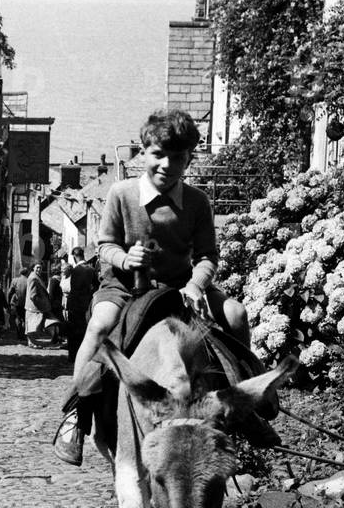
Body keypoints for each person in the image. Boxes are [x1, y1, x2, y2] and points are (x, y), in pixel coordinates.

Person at [53, 109, 253, 465]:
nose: (167, 165)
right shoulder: (122, 193)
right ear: (143, 151)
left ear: (189, 158)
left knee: (236, 313)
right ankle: (76, 412)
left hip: (178, 288)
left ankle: (245, 405)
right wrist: (125, 260)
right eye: (158, 154)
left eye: (178, 158)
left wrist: (195, 286)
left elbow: (208, 256)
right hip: (125, 288)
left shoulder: (196, 202)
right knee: (100, 325)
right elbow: (105, 246)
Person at [64, 247, 99, 361]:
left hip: (74, 304)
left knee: (73, 330)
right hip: (87, 304)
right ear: (83, 255)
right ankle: (84, 355)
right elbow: (97, 286)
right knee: (85, 329)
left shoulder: (75, 270)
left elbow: (73, 288)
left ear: (74, 257)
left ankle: (73, 355)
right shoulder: (91, 270)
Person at [25, 260, 60, 348]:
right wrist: (42, 305)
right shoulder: (33, 278)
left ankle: (32, 342)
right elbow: (33, 295)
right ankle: (32, 343)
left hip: (36, 306)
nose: (39, 269)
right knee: (33, 326)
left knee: (34, 326)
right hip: (35, 307)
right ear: (33, 268)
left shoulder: (36, 277)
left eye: (40, 268)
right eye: (37, 267)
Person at [6, 265, 29, 339]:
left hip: (17, 302)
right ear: (27, 273)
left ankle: (19, 333)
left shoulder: (15, 280)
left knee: (18, 318)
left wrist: (9, 302)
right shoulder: (29, 280)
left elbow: (10, 292)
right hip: (26, 303)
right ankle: (24, 334)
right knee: (25, 319)